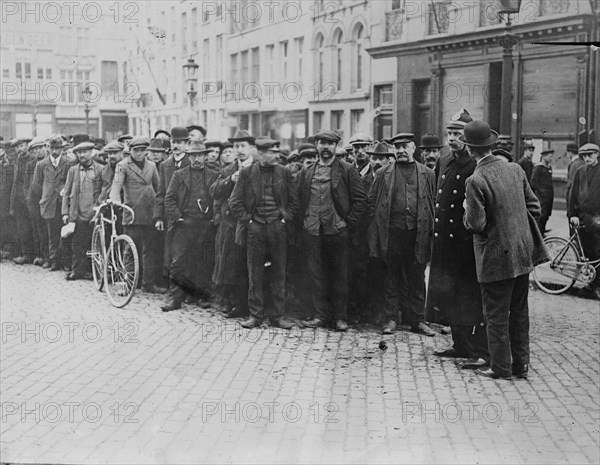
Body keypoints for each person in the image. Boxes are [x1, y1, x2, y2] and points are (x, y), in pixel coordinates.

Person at [463, 120, 547, 379]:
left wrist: (467, 212)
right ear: (491, 144)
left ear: (469, 150)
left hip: (495, 258)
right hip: (522, 255)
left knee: (496, 314)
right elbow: (535, 208)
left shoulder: (475, 179)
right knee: (520, 311)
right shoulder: (515, 170)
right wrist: (519, 232)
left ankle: (500, 368)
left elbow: (476, 224)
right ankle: (520, 365)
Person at [426, 110, 488, 364]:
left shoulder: (473, 165)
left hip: (463, 244)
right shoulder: (444, 160)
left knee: (465, 297)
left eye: (457, 134)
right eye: (449, 134)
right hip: (444, 242)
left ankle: (472, 348)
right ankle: (458, 344)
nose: (452, 139)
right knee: (447, 296)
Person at [297, 130, 367, 331]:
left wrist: (347, 223)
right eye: (322, 143)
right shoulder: (307, 171)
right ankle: (320, 315)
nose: (326, 147)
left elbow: (360, 200)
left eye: (330, 143)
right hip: (312, 230)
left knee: (339, 274)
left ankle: (339, 317)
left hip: (336, 231)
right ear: (316, 146)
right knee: (316, 274)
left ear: (336, 146)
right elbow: (300, 199)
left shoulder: (347, 170)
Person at [368, 133, 436, 336]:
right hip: (392, 233)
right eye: (397, 147)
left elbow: (433, 205)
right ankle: (390, 319)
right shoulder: (383, 173)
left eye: (405, 146)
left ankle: (417, 320)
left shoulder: (427, 174)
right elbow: (372, 203)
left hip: (418, 233)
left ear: (414, 148)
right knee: (391, 276)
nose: (400, 151)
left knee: (416, 276)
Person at [229, 138, 298, 329]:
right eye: (269, 152)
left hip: (278, 228)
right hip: (255, 229)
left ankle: (277, 316)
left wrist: (284, 219)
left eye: (276, 152)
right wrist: (248, 220)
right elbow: (234, 202)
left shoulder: (284, 172)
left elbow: (294, 202)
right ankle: (255, 316)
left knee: (278, 273)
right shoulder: (246, 173)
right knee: (255, 274)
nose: (274, 155)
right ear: (259, 153)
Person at [161, 140, 220, 311]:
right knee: (178, 261)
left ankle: (200, 296)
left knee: (203, 260)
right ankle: (175, 298)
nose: (197, 159)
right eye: (193, 155)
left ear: (205, 156)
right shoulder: (180, 175)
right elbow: (169, 198)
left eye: (200, 155)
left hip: (205, 224)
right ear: (189, 156)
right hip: (184, 224)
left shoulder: (214, 174)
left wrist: (214, 217)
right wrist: (178, 217)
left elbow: (219, 198)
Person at [210, 130, 256, 318]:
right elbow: (214, 191)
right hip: (230, 225)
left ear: (251, 148)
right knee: (231, 265)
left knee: (251, 264)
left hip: (252, 222)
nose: (239, 150)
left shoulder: (259, 167)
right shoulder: (229, 170)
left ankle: (253, 305)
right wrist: (230, 180)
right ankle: (236, 304)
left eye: (243, 146)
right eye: (236, 146)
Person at [110, 137, 162, 293]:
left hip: (150, 210)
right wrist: (115, 200)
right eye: (136, 150)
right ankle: (127, 285)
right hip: (132, 211)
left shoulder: (152, 165)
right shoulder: (122, 166)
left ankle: (148, 284)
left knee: (149, 249)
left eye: (142, 150)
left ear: (146, 151)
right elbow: (116, 186)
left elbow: (158, 188)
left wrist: (159, 208)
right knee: (130, 249)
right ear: (130, 151)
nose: (139, 154)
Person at [29, 135, 73, 272]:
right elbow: (36, 185)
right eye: (52, 148)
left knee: (65, 234)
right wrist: (46, 193)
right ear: (48, 148)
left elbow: (70, 181)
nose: (55, 151)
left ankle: (65, 262)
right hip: (49, 204)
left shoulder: (68, 163)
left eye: (57, 148)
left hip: (63, 203)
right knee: (51, 235)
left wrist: (62, 191)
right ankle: (53, 261)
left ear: (62, 149)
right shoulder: (41, 164)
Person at [154, 127, 190, 292]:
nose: (176, 145)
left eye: (180, 142)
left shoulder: (191, 162)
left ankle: (190, 291)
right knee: (171, 253)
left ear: (187, 144)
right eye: (174, 142)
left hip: (188, 214)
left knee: (189, 252)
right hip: (170, 216)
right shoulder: (165, 165)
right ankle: (174, 289)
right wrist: (159, 217)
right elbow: (161, 192)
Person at [61, 141, 103, 280]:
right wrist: (65, 213)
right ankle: (77, 271)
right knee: (77, 245)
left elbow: (103, 191)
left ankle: (94, 271)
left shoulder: (100, 169)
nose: (82, 155)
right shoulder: (73, 170)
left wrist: (98, 208)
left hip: (94, 213)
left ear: (91, 153)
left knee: (95, 244)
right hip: (77, 213)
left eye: (85, 152)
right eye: (79, 153)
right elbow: (66, 192)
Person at [568, 143, 600, 299]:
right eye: (584, 156)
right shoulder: (580, 172)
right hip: (583, 218)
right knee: (590, 253)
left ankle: (594, 284)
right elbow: (572, 195)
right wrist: (572, 214)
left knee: (597, 252)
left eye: (590, 155)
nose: (587, 158)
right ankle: (591, 285)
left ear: (597, 154)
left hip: (598, 218)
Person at [9, 137, 35, 264]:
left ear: (27, 146)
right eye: (18, 147)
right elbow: (15, 182)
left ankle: (35, 255)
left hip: (30, 199)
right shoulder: (17, 160)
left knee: (33, 228)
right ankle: (26, 255)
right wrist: (12, 203)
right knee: (22, 228)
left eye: (22, 146)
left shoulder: (33, 160)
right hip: (19, 200)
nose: (20, 149)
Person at [26, 137, 50, 267]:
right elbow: (27, 183)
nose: (38, 151)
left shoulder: (50, 162)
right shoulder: (31, 164)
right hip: (34, 200)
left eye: (40, 148)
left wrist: (46, 196)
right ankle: (40, 256)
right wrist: (27, 196)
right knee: (38, 229)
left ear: (45, 147)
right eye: (35, 150)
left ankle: (49, 257)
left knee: (49, 230)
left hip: (48, 199)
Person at [530, 149, 555, 235]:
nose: (551, 158)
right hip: (541, 197)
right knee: (541, 215)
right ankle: (538, 234)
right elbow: (533, 182)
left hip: (548, 196)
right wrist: (541, 191)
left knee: (546, 214)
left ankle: (542, 231)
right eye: (550, 156)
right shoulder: (538, 167)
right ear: (544, 156)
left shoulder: (549, 167)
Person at [566, 142, 585, 212]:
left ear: (570, 152)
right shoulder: (582, 162)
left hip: (575, 201)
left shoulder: (574, 165)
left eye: (567, 152)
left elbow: (572, 185)